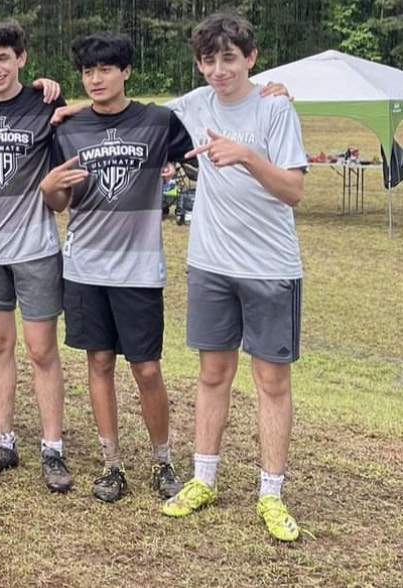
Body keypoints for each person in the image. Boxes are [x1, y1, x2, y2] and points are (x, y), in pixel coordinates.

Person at [158, 10, 308, 542]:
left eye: (228, 58)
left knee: (271, 382)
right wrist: (64, 104)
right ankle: (203, 479)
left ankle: (271, 492)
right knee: (212, 375)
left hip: (270, 267)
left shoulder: (273, 107)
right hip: (211, 266)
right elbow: (124, 113)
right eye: (208, 59)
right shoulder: (194, 105)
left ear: (250, 58)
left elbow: (293, 190)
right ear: (199, 64)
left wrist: (245, 155)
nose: (218, 70)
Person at [40, 32, 195, 501]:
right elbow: (59, 200)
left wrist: (275, 93)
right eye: (88, 71)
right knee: (100, 361)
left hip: (140, 269)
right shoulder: (67, 129)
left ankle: (163, 463)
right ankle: (112, 466)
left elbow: (198, 155)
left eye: (106, 69)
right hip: (85, 267)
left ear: (126, 71)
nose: (96, 79)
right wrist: (49, 188)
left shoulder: (159, 121)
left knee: (146, 369)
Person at [0, 20, 70, 489]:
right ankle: (3, 439)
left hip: (35, 246)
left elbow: (95, 116)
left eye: (4, 58)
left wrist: (58, 91)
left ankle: (52, 447)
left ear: (22, 59)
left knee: (42, 349)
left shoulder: (46, 103)